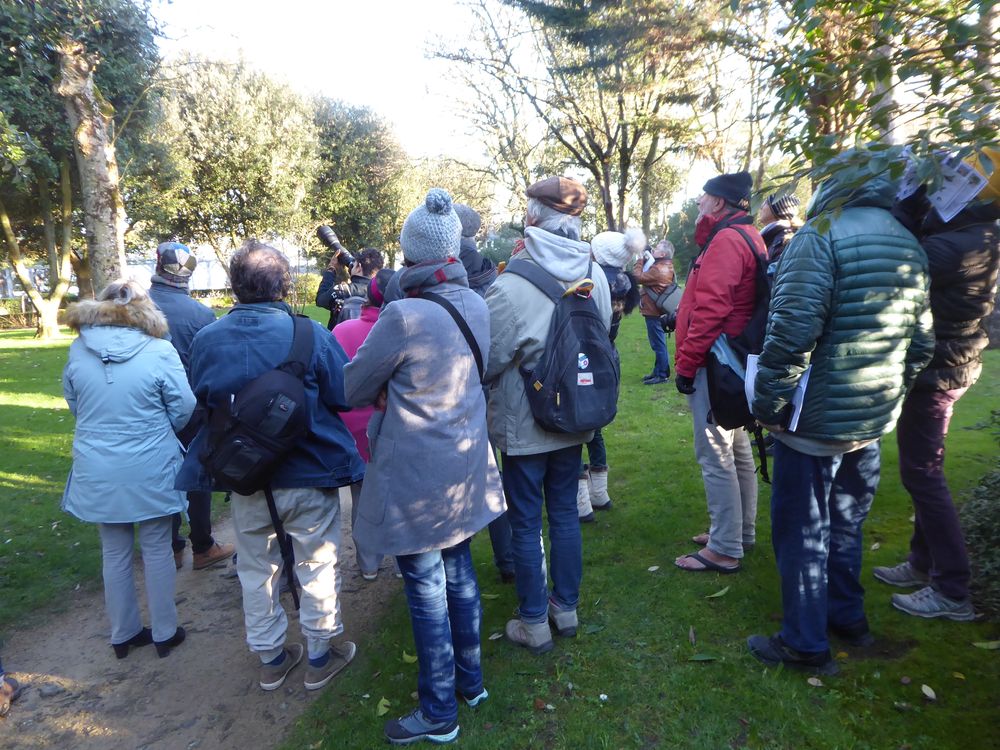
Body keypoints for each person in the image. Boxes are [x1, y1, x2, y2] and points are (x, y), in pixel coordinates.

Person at [747, 155, 934, 674]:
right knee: (847, 522)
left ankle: (805, 644)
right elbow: (921, 344)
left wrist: (767, 404)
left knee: (802, 530)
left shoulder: (819, 235)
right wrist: (888, 396)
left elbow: (790, 334)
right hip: (870, 420)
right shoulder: (907, 240)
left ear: (832, 183)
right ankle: (847, 617)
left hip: (816, 422)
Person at [345, 188, 504, 745]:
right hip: (464, 465)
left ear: (410, 254)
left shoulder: (403, 313)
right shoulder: (477, 302)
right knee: (459, 576)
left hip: (418, 476)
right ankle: (471, 682)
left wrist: (388, 387)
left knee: (426, 589)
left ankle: (439, 712)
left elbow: (351, 386)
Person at [177, 240, 363, 692]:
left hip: (245, 475)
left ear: (235, 286)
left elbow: (200, 397)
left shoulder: (207, 339)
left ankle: (272, 657)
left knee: (257, 567)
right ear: (282, 285)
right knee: (316, 562)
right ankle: (319, 655)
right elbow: (343, 394)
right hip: (308, 468)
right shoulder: (310, 335)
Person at [485, 176, 612, 654]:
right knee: (562, 512)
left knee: (524, 521)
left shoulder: (511, 282)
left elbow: (492, 359)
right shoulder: (594, 274)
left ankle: (534, 620)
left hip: (524, 423)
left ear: (532, 219)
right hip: (575, 416)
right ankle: (567, 607)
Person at [876, 148, 1000, 621]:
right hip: (948, 362)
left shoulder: (962, 243)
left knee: (922, 474)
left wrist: (905, 207)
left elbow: (904, 264)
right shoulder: (972, 232)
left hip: (939, 368)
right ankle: (922, 563)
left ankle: (951, 589)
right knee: (926, 470)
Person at [63, 280, 195, 659]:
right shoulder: (159, 350)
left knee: (114, 550)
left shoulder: (78, 350)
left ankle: (123, 634)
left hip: (98, 463)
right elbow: (183, 405)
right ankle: (165, 633)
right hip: (150, 462)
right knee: (156, 546)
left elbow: (75, 403)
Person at [673, 171, 766, 574]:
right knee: (737, 447)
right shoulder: (746, 234)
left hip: (719, 360)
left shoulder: (728, 240)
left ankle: (726, 547)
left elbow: (711, 310)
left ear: (718, 202)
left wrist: (687, 364)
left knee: (714, 451)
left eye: (701, 198)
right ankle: (739, 531)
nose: (696, 205)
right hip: (735, 361)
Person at [147, 241, 235, 571]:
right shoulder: (201, 315)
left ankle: (169, 546)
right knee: (195, 472)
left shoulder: (137, 307)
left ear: (158, 265)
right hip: (194, 406)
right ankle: (202, 545)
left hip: (150, 408)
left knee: (160, 473)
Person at [454, 202, 515, 583]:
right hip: (497, 382)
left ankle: (455, 558)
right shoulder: (494, 274)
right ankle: (508, 558)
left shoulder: (440, 274)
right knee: (501, 476)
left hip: (461, 386)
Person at [576, 228, 643, 522]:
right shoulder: (625, 283)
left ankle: (580, 501)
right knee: (596, 425)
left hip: (584, 359)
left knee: (573, 425)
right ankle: (599, 493)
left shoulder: (592, 283)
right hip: (608, 358)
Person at [332, 267, 394, 581]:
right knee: (399, 495)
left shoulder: (342, 331)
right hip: (392, 427)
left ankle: (368, 563)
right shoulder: (401, 330)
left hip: (352, 430)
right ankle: (402, 560)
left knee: (362, 497)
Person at [634, 239, 676, 385]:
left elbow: (637, 277)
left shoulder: (658, 269)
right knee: (659, 343)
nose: (654, 250)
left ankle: (662, 374)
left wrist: (639, 259)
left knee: (658, 344)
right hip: (657, 311)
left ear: (663, 253)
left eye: (657, 248)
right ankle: (657, 371)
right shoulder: (665, 265)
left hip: (654, 312)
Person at [316, 243, 385, 329]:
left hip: (339, 340)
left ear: (359, 267)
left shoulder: (342, 290)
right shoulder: (383, 294)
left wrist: (331, 269)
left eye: (354, 265)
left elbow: (320, 300)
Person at [757, 192, 801, 265]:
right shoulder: (771, 236)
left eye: (766, 203)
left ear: (778, 210)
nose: (761, 207)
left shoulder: (784, 240)